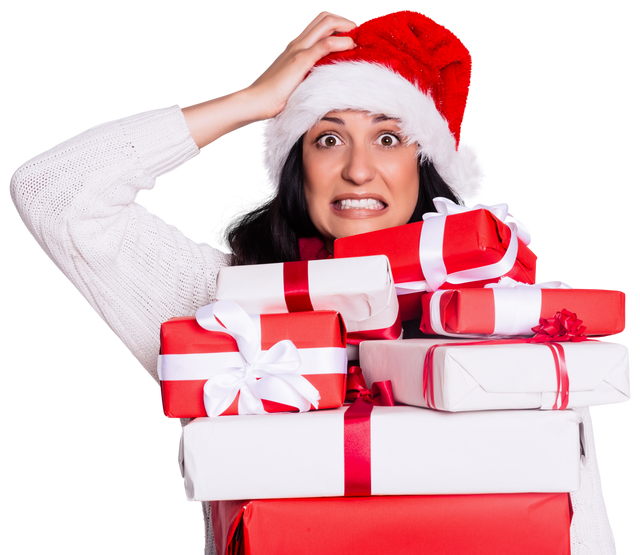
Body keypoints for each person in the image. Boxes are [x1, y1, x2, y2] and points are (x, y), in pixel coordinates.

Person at [7, 7, 620, 554]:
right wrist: (251, 101)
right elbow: (51, 193)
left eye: (388, 137)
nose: (358, 170)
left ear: (425, 162)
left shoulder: (514, 315)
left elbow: (579, 521)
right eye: (328, 138)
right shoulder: (225, 310)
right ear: (297, 164)